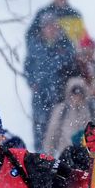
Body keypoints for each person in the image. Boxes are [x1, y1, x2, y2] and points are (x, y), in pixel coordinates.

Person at [23, 12, 81, 146]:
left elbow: (72, 67)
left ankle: (60, 156)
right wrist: (32, 83)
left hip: (60, 93)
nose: (51, 29)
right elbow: (28, 66)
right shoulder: (35, 46)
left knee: (60, 124)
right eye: (47, 26)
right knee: (40, 123)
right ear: (43, 28)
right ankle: (40, 154)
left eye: (53, 26)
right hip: (40, 93)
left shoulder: (66, 45)